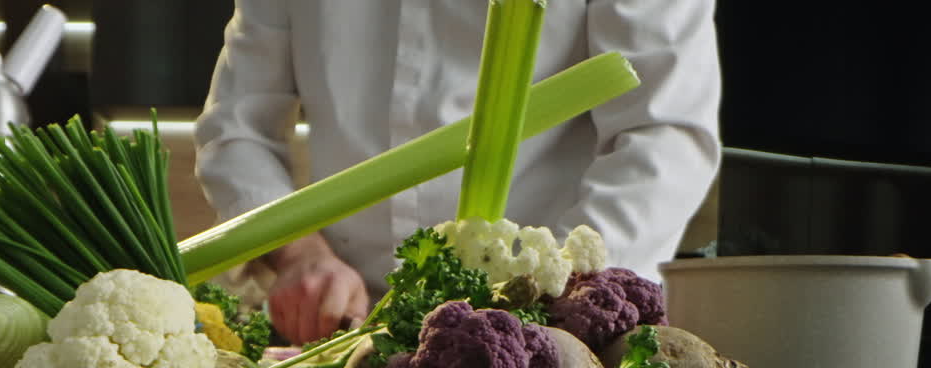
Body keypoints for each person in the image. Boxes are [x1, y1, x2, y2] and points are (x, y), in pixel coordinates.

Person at [194, 0, 721, 344]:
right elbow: (235, 130)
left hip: (545, 327)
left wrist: (553, 301)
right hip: (339, 327)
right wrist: (302, 254)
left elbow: (664, 133)